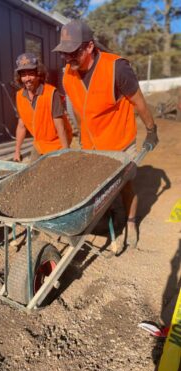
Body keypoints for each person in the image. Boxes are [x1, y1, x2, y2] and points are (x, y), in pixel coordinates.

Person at [53, 20, 159, 249]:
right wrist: (83, 139)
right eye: (64, 53)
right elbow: (81, 110)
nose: (68, 58)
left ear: (89, 47)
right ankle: (109, 218)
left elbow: (139, 102)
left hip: (120, 142)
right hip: (94, 144)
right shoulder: (68, 76)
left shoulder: (117, 68)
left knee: (125, 185)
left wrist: (151, 130)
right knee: (98, 188)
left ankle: (130, 223)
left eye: (73, 52)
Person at [13, 52, 72, 162]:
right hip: (39, 144)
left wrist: (65, 151)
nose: (27, 79)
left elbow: (60, 125)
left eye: (31, 74)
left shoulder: (51, 93)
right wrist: (17, 151)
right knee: (32, 173)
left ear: (38, 74)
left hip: (57, 143)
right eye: (23, 75)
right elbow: (21, 125)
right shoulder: (20, 96)